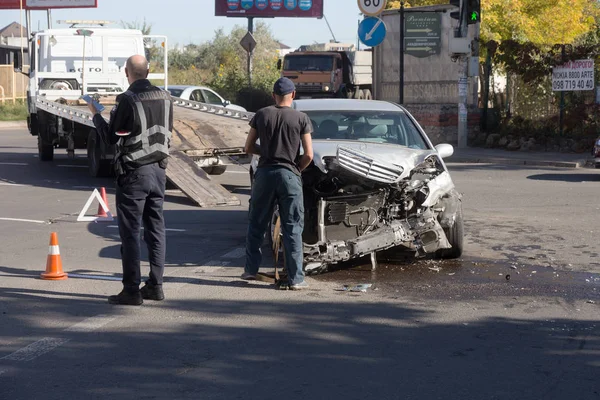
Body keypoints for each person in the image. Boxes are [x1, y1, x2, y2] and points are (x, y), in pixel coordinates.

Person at [87, 54, 173, 305]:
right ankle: (156, 286)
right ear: (148, 71)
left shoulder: (127, 99)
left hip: (134, 173)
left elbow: (111, 138)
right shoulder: (166, 97)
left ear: (127, 73)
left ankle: (132, 290)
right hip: (159, 171)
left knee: (131, 233)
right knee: (156, 231)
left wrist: (95, 114)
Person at [242, 77, 314, 290]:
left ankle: (250, 270)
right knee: (292, 227)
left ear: (273, 95)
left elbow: (248, 147)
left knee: (257, 222)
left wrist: (265, 152)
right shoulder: (301, 118)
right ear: (293, 95)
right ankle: (296, 279)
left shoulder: (262, 115)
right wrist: (295, 169)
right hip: (289, 175)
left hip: (264, 174)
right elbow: (309, 154)